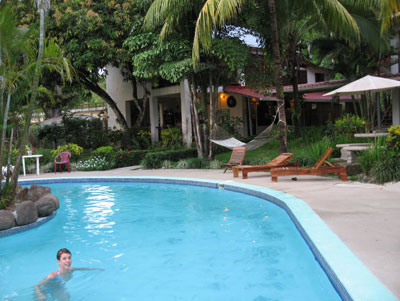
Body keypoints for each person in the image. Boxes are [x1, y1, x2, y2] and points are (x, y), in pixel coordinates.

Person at [35, 248, 103, 300]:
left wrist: (95, 269)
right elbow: (37, 286)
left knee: (66, 297)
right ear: (58, 261)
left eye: (69, 258)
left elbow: (80, 269)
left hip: (58, 287)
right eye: (64, 259)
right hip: (46, 289)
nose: (68, 261)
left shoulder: (70, 269)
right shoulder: (53, 275)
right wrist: (41, 295)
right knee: (65, 296)